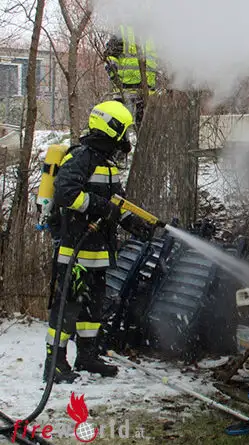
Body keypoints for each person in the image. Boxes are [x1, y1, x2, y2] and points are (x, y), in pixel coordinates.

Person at [44, 100, 155, 383]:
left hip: (98, 253)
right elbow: (66, 194)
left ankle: (87, 356)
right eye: (124, 131)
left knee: (92, 308)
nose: (126, 138)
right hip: (75, 252)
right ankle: (55, 364)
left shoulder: (107, 165)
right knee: (68, 308)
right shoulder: (81, 158)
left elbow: (116, 203)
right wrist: (101, 207)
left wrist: (133, 224)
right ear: (111, 128)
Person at [103, 25, 158, 128]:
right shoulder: (123, 32)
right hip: (124, 90)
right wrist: (114, 75)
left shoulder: (155, 34)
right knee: (122, 127)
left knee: (145, 129)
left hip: (147, 92)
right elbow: (110, 56)